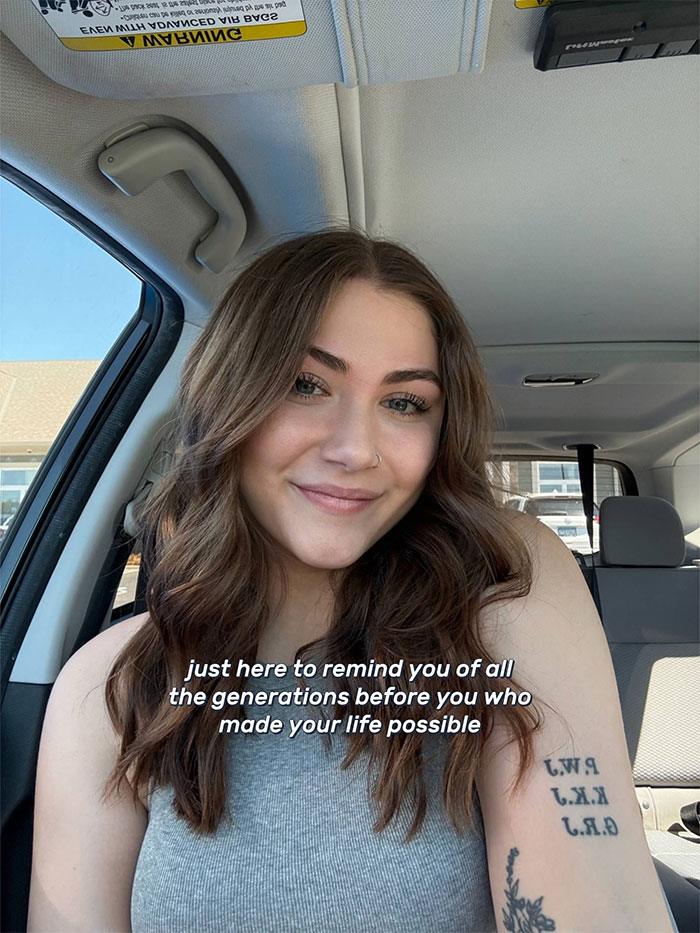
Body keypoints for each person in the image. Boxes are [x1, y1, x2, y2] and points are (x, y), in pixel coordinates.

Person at [27, 228, 677, 932]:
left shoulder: (506, 586)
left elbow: (596, 903)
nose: (356, 449)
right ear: (228, 399)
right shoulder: (113, 685)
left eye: (405, 403)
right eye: (305, 385)